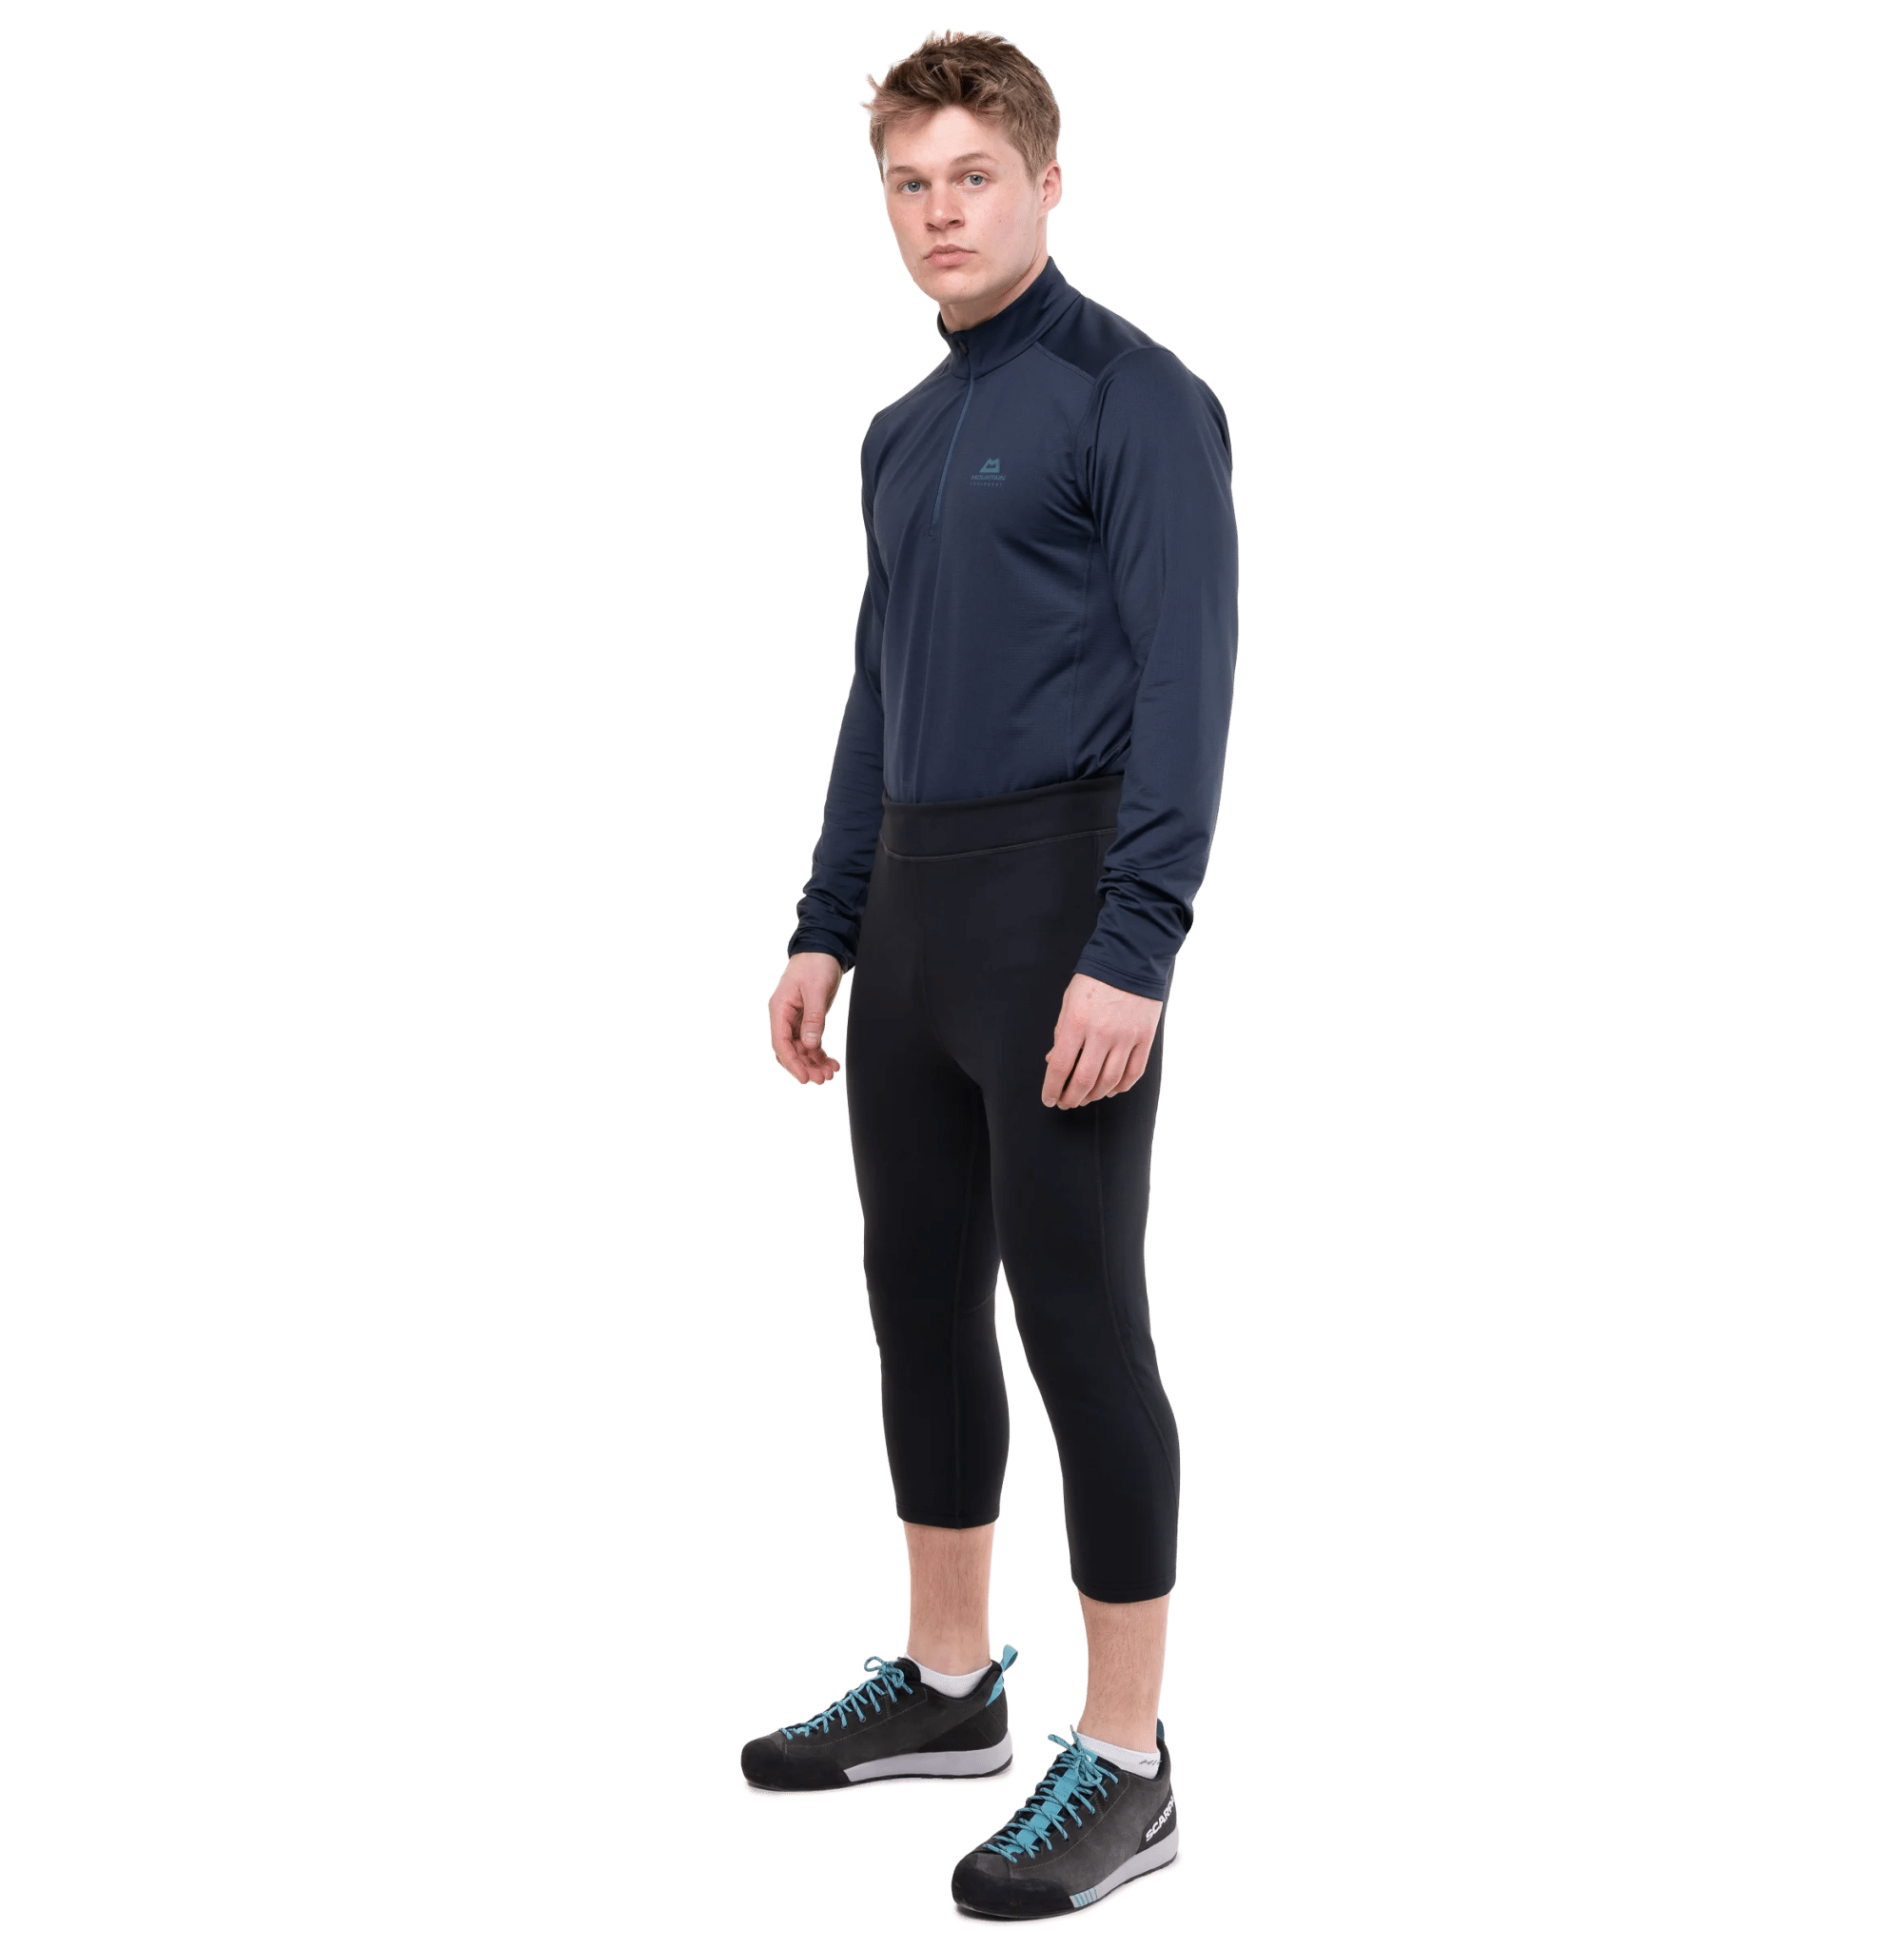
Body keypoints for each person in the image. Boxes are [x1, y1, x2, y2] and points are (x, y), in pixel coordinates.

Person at [741, 29, 1240, 1929]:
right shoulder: (897, 434)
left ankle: (1129, 1759)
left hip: (1060, 910)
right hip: (920, 921)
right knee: (916, 1292)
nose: (938, 213)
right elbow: (878, 688)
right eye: (907, 184)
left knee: (1080, 1316)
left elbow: (1189, 678)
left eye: (972, 177)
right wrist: (827, 917)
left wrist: (1138, 938)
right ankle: (947, 1685)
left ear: (1043, 181)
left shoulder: (1137, 397)